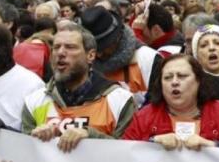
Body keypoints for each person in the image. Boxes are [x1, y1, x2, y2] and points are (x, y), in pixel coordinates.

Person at [22, 23, 138, 151]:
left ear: (90, 56)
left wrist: (91, 135)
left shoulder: (120, 101)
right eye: (56, 47)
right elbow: (25, 156)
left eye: (70, 47)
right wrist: (34, 139)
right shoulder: (34, 101)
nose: (60, 53)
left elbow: (129, 154)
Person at [122, 55, 219, 149]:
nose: (174, 82)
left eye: (182, 76)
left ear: (198, 81)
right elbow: (124, 155)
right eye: (168, 78)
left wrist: (214, 147)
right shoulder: (145, 116)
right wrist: (152, 143)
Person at [80, 6, 161, 106]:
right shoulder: (83, 66)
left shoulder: (149, 59)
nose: (99, 54)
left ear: (118, 37)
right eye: (94, 49)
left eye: (105, 46)